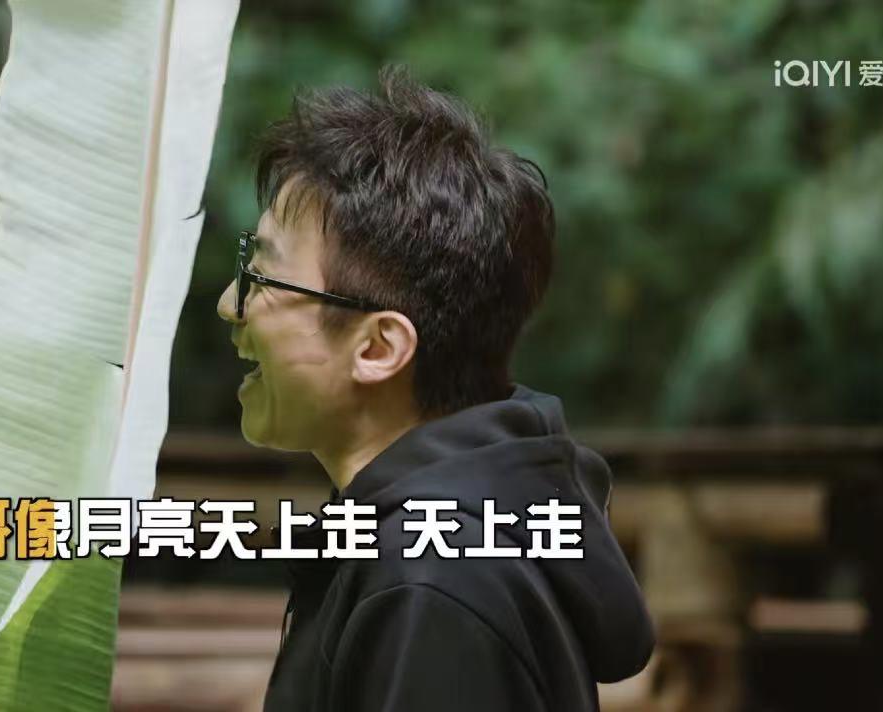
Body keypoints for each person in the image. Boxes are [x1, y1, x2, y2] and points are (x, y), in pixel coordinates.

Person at [215, 65, 654, 712]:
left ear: (378, 348)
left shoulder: (433, 582)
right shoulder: (428, 544)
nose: (231, 304)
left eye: (262, 278)